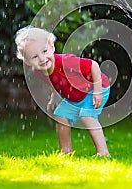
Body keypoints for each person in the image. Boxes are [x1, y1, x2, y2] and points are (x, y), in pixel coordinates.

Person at [15, 26, 111, 157]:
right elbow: (55, 83)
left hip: (95, 87)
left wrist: (98, 92)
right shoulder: (38, 71)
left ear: (52, 47)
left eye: (44, 51)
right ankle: (66, 152)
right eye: (35, 57)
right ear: (27, 61)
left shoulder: (66, 62)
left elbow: (93, 65)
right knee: (60, 116)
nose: (42, 59)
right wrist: (54, 98)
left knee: (87, 116)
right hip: (75, 96)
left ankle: (103, 152)